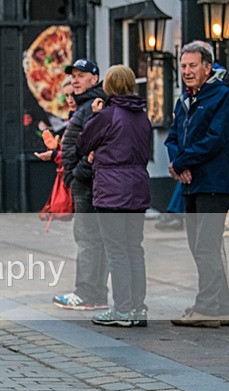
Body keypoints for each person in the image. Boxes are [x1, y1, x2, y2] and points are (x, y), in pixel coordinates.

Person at [77, 65, 153, 327]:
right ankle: (138, 309)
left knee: (116, 251)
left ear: (108, 86)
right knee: (135, 249)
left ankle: (121, 310)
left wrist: (95, 116)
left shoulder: (107, 115)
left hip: (111, 192)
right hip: (137, 190)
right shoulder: (142, 116)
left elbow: (83, 143)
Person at [165, 41, 229, 328]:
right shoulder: (185, 100)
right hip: (191, 184)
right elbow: (172, 138)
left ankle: (207, 308)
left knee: (206, 246)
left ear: (207, 67)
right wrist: (179, 163)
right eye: (183, 66)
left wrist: (183, 163)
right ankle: (223, 306)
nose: (187, 71)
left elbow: (215, 139)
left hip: (214, 182)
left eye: (193, 65)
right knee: (200, 246)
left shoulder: (223, 96)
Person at [52, 58, 109, 311]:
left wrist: (76, 173)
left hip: (87, 183)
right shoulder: (87, 105)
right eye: (73, 75)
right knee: (92, 239)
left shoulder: (94, 106)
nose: (75, 79)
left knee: (88, 239)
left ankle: (87, 293)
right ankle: (94, 293)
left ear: (94, 79)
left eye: (81, 75)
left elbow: (95, 147)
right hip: (83, 181)